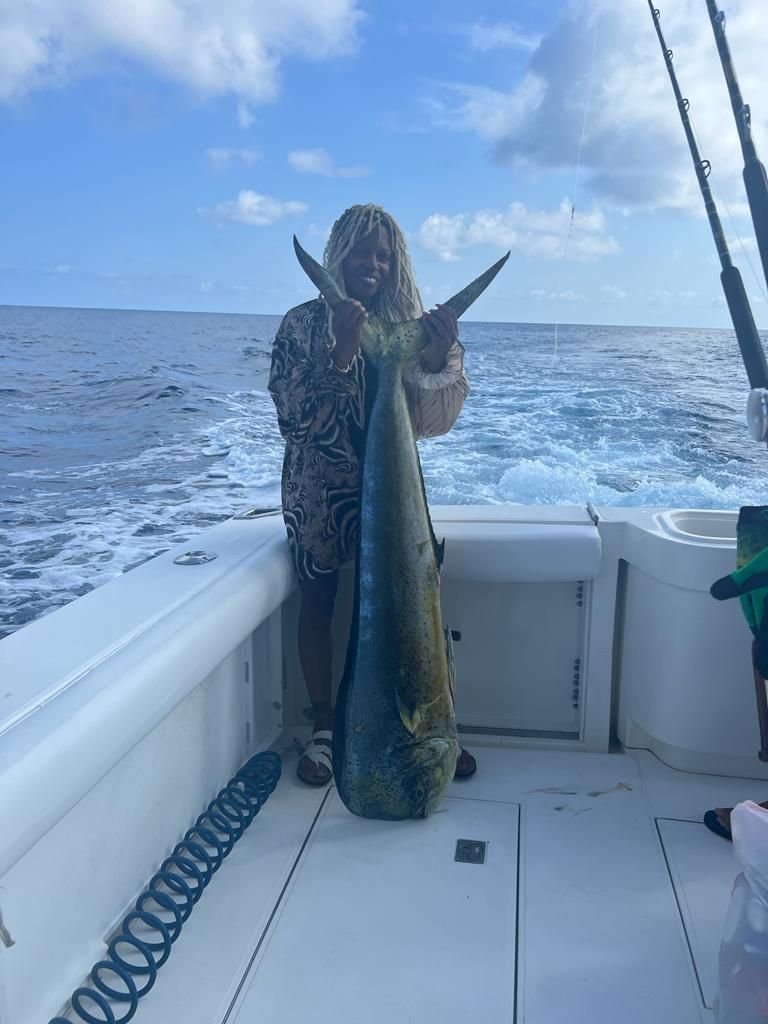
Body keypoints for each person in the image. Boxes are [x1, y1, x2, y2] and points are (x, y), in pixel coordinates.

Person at [268, 203, 477, 785]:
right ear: (338, 253)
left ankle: (433, 723)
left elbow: (433, 423)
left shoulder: (404, 331)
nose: (373, 264)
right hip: (320, 492)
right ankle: (326, 728)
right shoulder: (300, 324)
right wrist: (341, 350)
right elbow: (293, 420)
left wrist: (434, 356)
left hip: (392, 493)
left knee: (415, 606)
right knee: (318, 606)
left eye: (384, 255)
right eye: (362, 251)